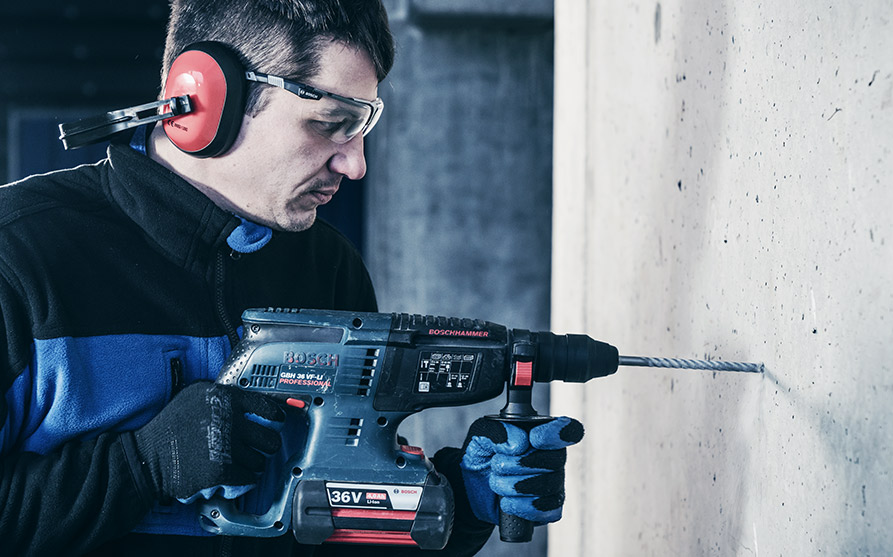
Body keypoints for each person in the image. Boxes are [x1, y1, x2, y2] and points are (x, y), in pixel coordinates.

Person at [0, 1, 583, 556]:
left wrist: (460, 502)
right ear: (205, 98)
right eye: (331, 123)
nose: (355, 164)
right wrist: (140, 468)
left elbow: (328, 518)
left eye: (363, 126)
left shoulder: (326, 267)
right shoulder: (20, 257)